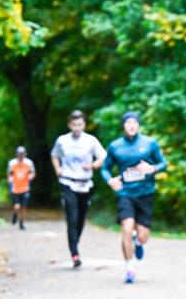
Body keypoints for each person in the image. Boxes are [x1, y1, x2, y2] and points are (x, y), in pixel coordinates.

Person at [100, 111, 168, 284]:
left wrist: (152, 169)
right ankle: (129, 269)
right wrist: (110, 180)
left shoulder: (149, 143)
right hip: (125, 194)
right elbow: (105, 168)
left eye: (134, 122)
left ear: (138, 125)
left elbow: (163, 163)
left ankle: (139, 242)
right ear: (123, 125)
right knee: (127, 229)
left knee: (143, 235)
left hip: (145, 194)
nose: (131, 125)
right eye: (128, 122)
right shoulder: (115, 146)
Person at [50, 109, 106, 268]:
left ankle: (75, 241)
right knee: (72, 218)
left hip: (85, 183)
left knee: (81, 219)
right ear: (69, 125)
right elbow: (54, 155)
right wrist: (57, 169)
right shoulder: (62, 141)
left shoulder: (91, 141)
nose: (77, 128)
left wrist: (93, 165)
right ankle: (74, 253)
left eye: (80, 125)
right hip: (68, 182)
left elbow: (103, 156)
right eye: (74, 125)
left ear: (84, 125)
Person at [7, 146, 35, 230]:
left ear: (25, 154)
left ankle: (21, 223)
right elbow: (9, 174)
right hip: (15, 188)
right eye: (19, 154)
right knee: (17, 206)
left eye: (22, 154)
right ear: (16, 154)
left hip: (25, 188)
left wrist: (30, 177)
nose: (20, 156)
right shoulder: (12, 163)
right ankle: (15, 214)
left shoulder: (29, 163)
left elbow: (33, 173)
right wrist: (10, 181)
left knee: (23, 207)